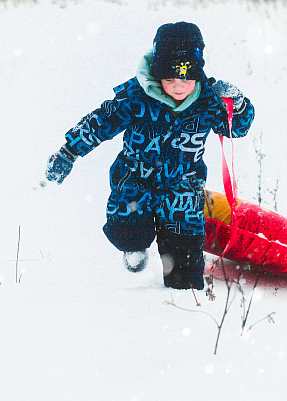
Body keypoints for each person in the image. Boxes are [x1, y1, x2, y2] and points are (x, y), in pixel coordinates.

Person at [45, 22, 254, 290]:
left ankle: (182, 287)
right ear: (157, 75)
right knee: (127, 222)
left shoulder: (208, 101)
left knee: (185, 247)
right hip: (135, 177)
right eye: (169, 79)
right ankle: (133, 246)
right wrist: (68, 152)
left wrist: (237, 103)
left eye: (186, 79)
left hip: (183, 185)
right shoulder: (136, 96)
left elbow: (237, 127)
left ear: (198, 74)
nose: (178, 87)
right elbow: (100, 122)